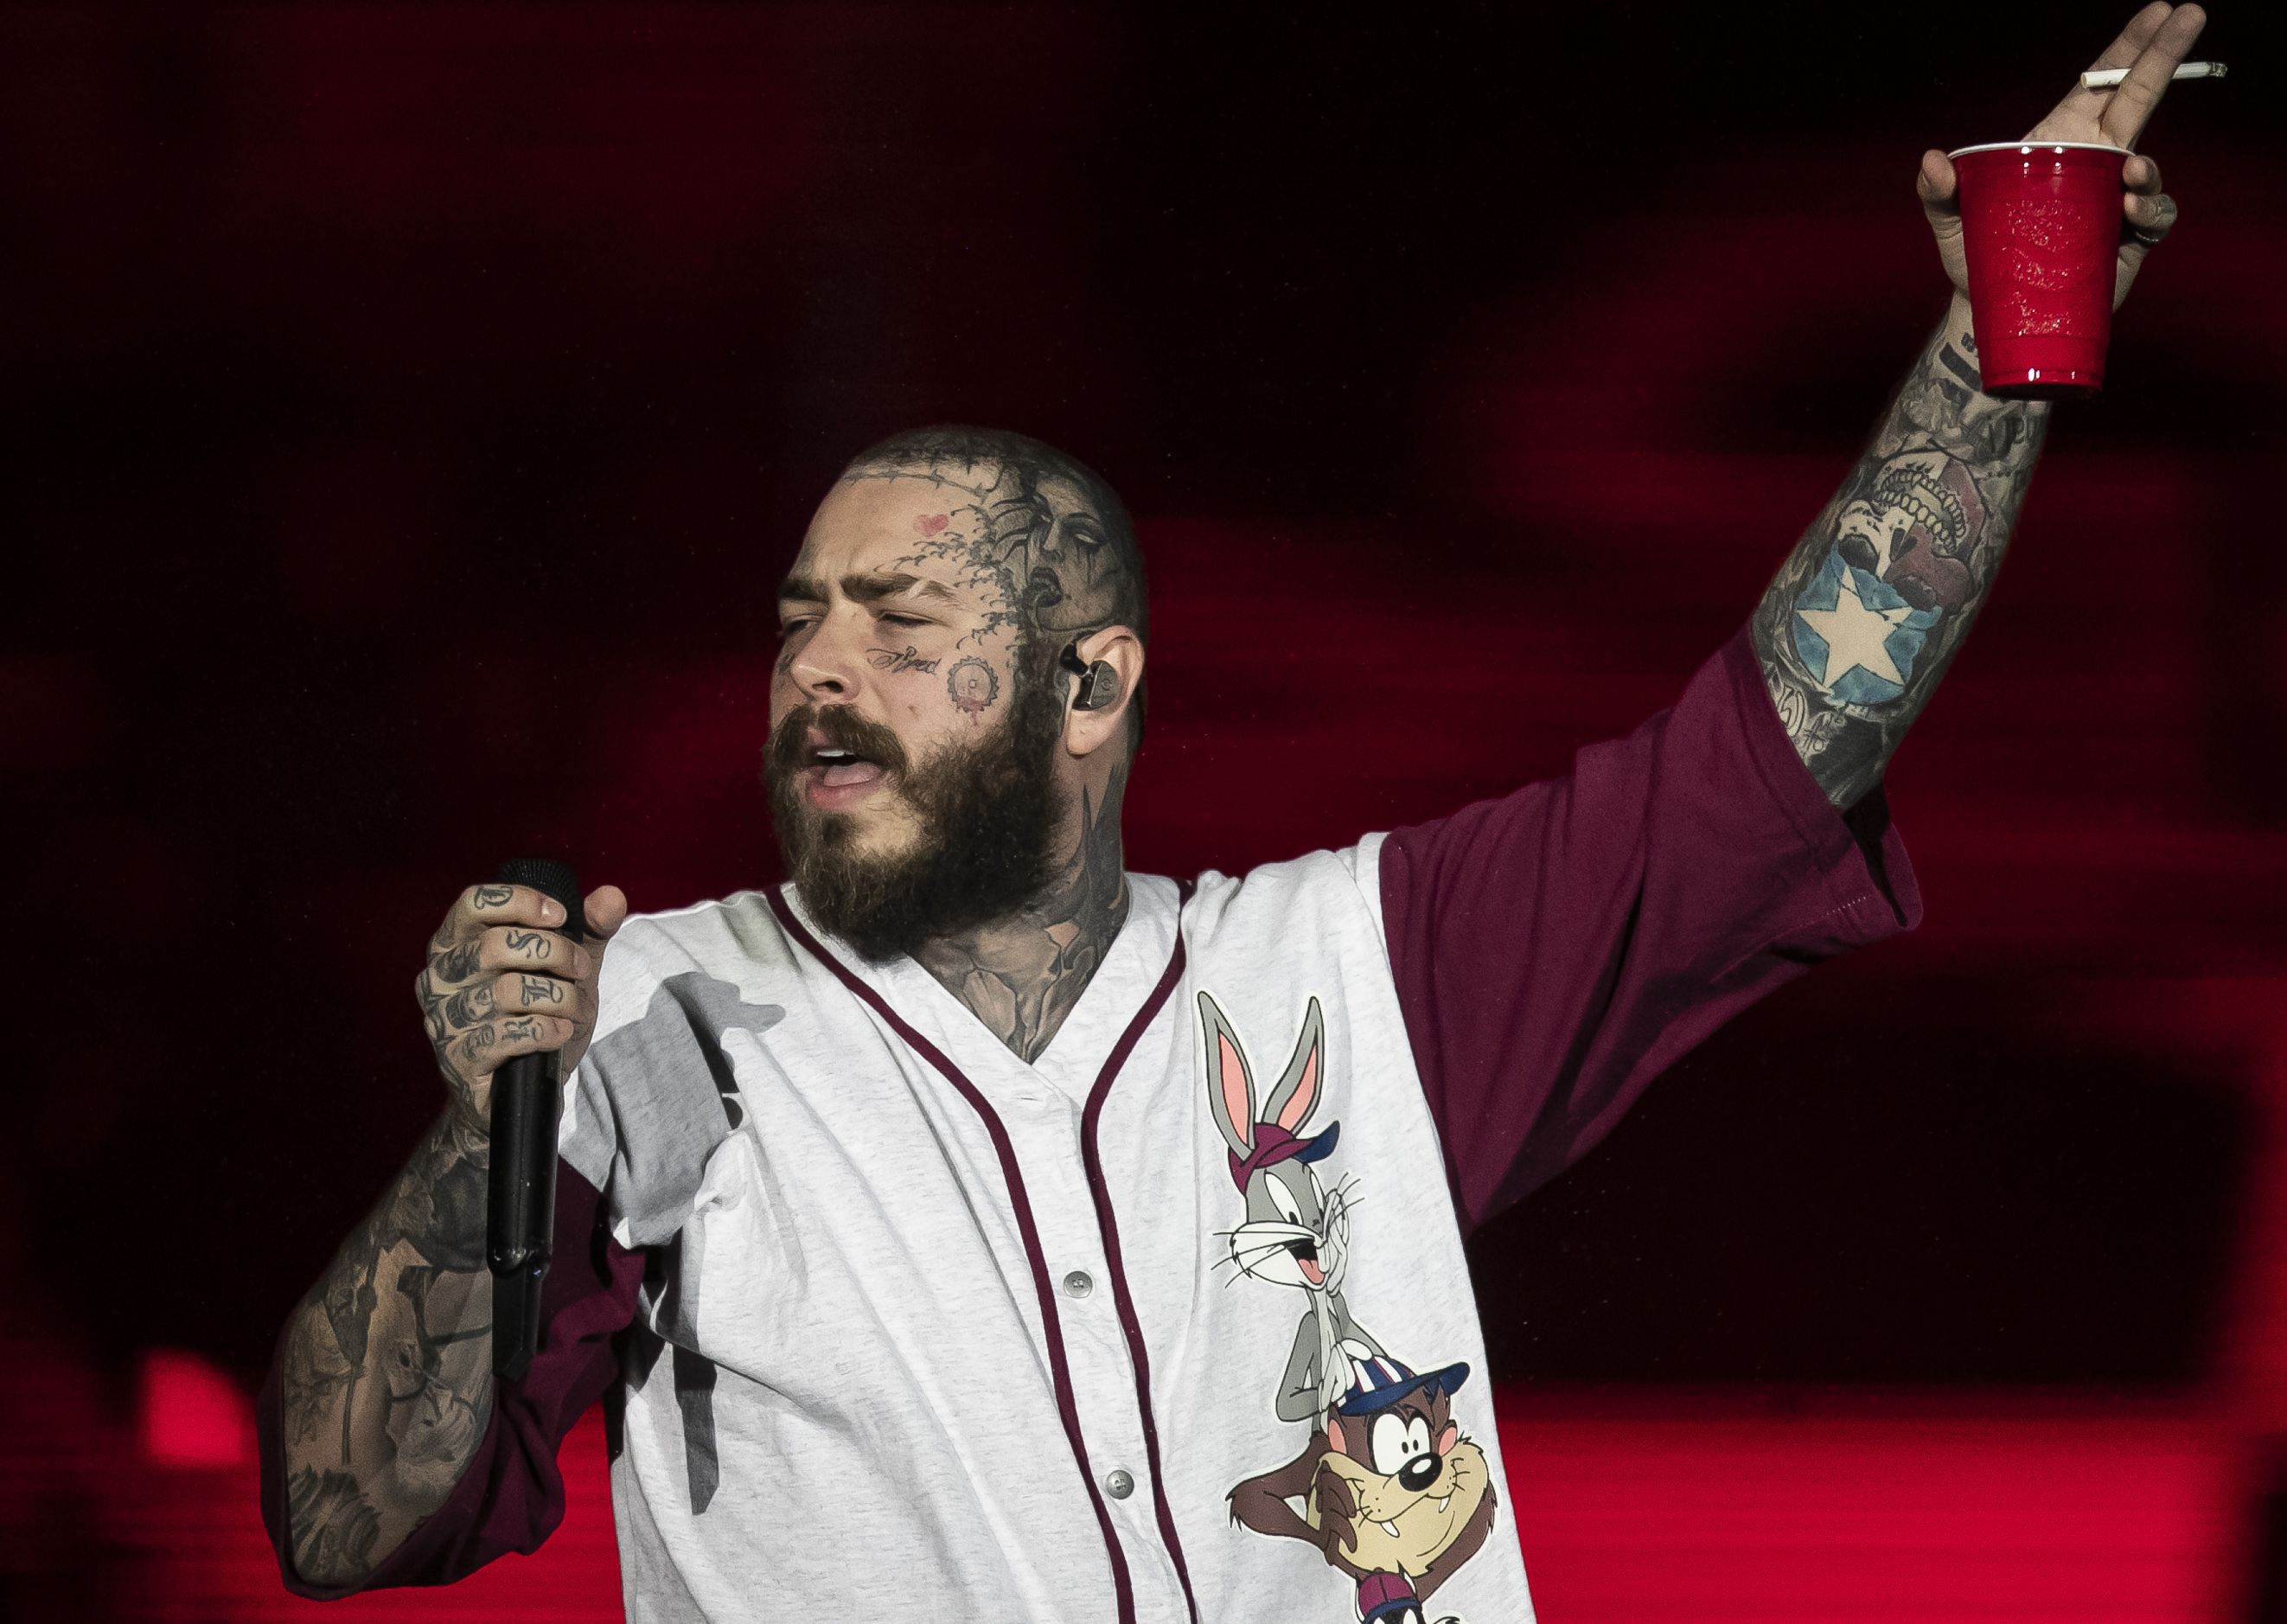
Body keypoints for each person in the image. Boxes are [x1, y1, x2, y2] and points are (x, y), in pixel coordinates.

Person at [258, 8, 2205, 1621]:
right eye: (797, 624)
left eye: (901, 622)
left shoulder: (1353, 968)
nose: (821, 671)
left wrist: (1991, 353)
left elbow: (1786, 737)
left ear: (1091, 687)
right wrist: (475, 1140)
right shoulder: (658, 1018)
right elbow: (343, 1519)